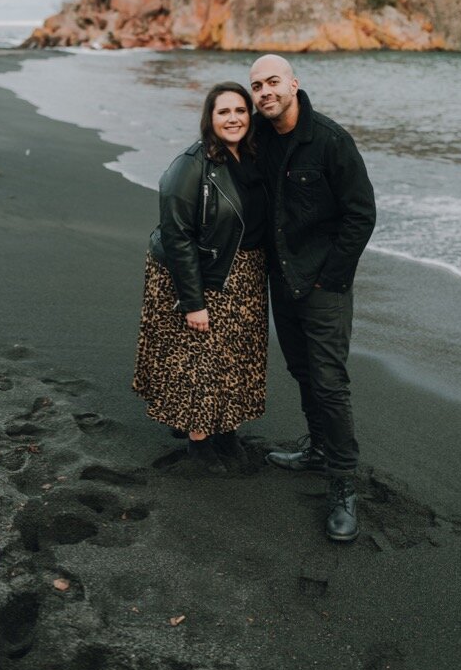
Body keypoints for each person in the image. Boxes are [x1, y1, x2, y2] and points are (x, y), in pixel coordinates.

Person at [247, 54, 376, 543]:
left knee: (328, 382)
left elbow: (361, 215)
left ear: (294, 84)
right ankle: (317, 447)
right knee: (301, 370)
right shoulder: (260, 139)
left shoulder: (331, 141)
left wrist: (332, 279)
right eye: (257, 85)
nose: (265, 92)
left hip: (324, 284)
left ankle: (343, 484)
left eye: (273, 82)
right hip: (282, 279)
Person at [133, 82, 270, 472]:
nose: (233, 119)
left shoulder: (253, 158)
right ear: (209, 119)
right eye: (223, 112)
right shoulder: (189, 166)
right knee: (199, 358)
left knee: (236, 356)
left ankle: (226, 430)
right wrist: (193, 301)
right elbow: (177, 237)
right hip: (201, 271)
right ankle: (199, 444)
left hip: (245, 272)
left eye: (240, 111)